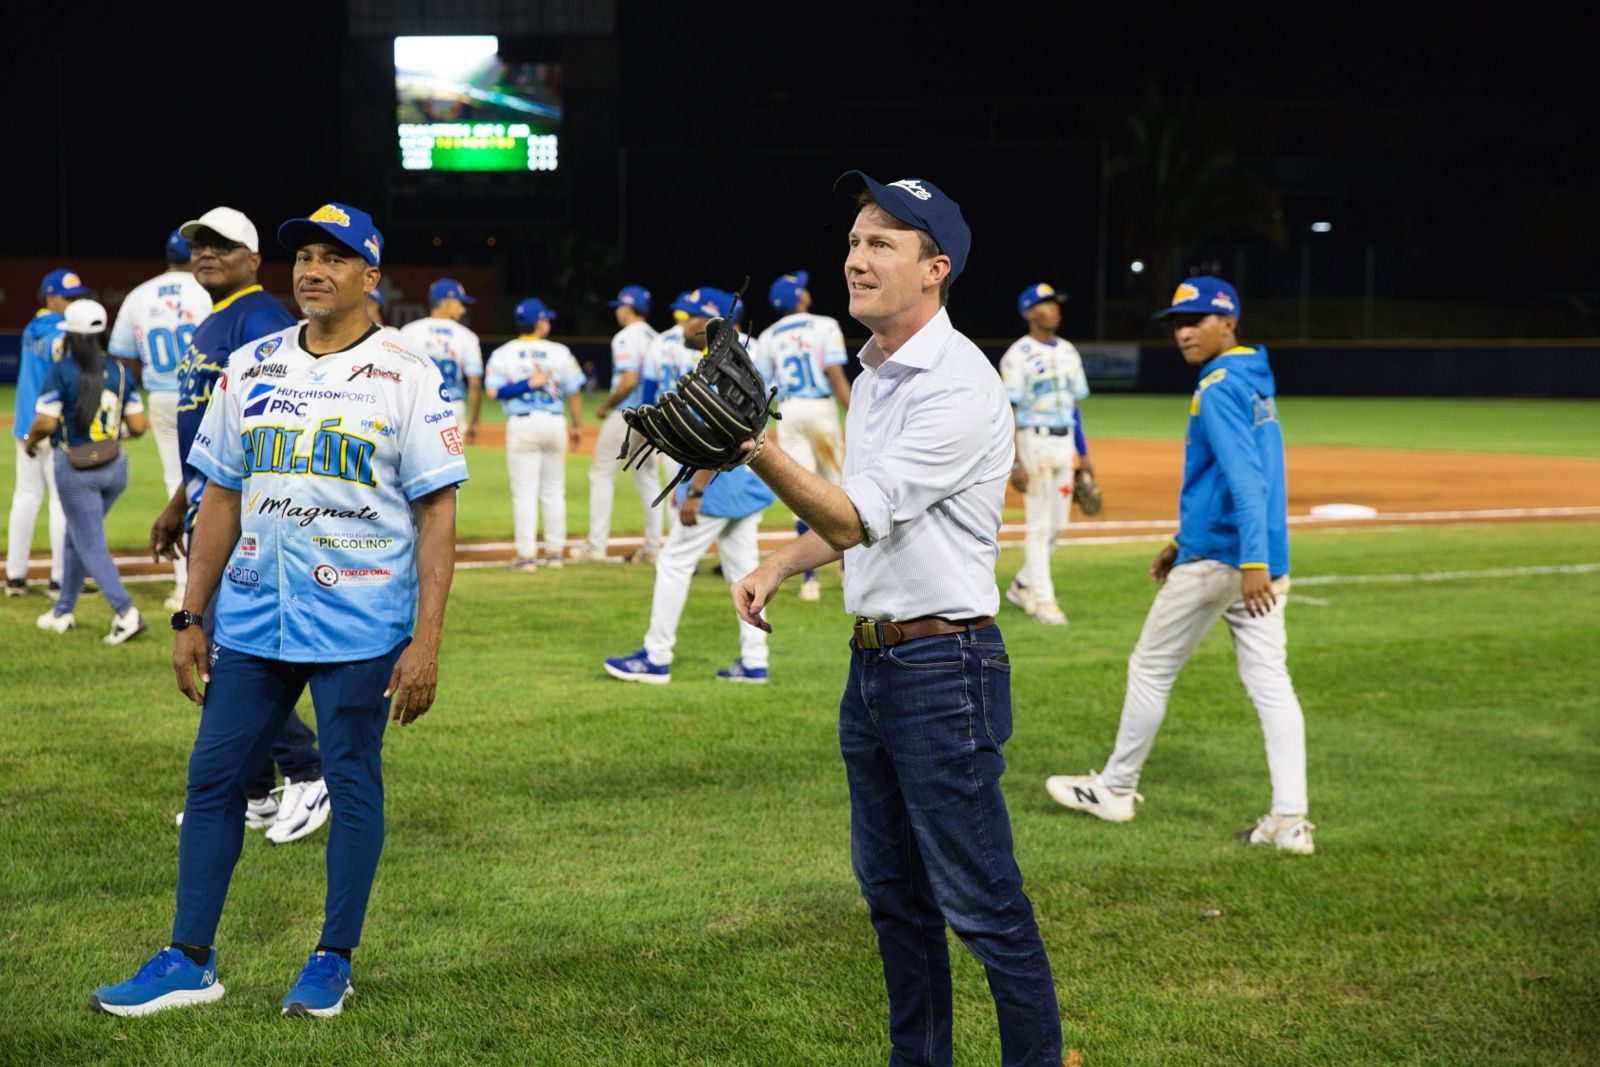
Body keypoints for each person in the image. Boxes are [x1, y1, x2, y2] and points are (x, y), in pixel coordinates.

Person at [90, 201, 468, 1019]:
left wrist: (427, 640)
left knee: (353, 783)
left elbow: (437, 515)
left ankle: (333, 957)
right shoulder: (254, 362)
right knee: (215, 776)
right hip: (256, 617)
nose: (312, 270)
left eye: (335, 258)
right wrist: (192, 615)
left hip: (363, 621)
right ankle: (189, 958)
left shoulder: (408, 373)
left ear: (371, 276)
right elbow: (221, 493)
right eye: (303, 256)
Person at [731, 173, 1062, 1065]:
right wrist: (779, 559)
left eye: (882, 241)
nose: (855, 256)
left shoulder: (957, 382)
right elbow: (855, 518)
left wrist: (755, 445)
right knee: (893, 897)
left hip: (942, 669)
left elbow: (853, 516)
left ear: (935, 268)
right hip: (875, 665)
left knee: (983, 903)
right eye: (852, 239)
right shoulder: (878, 373)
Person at [1044, 276, 1314, 855]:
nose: (1184, 332)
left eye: (1195, 320)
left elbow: (1245, 480)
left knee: (1150, 667)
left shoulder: (1217, 386)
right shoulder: (1252, 378)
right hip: (1247, 555)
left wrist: (1250, 561)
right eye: (1176, 323)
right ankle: (1291, 821)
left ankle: (1115, 789)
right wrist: (1181, 539)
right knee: (1271, 683)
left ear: (1228, 322)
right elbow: (1235, 479)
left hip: (1229, 560)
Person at [151, 205, 328, 845]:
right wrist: (179, 502)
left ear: (254, 259)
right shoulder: (219, 320)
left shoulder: (262, 320)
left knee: (231, 652)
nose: (205, 254)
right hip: (210, 504)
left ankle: (308, 773)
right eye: (198, 244)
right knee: (225, 648)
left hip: (249, 516)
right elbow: (217, 434)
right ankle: (252, 792)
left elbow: (280, 428)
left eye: (222, 246)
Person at [604, 288, 774, 684]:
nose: (682, 322)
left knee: (674, 562)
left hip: (717, 481)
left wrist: (695, 491)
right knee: (744, 570)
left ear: (714, 321)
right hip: (745, 481)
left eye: (691, 316)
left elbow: (720, 437)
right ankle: (754, 662)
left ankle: (655, 657)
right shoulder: (736, 359)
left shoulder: (718, 365)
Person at [25, 299, 149, 642]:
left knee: (89, 540)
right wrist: (112, 434)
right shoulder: (122, 371)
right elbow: (138, 425)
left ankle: (126, 612)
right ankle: (62, 610)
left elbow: (44, 423)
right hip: (115, 467)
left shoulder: (62, 370)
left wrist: (29, 441)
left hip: (76, 468)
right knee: (75, 536)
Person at [108, 229, 211, 612]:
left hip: (162, 396)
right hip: (206, 395)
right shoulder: (207, 290)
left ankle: (184, 583)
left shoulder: (139, 294)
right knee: (216, 483)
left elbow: (122, 357)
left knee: (176, 483)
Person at [998, 282, 1091, 626]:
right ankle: (1044, 600)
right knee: (1038, 526)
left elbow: (1074, 407)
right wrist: (1015, 461)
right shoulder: (1017, 356)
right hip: (1032, 442)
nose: (1054, 308)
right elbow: (1008, 409)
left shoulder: (1069, 351)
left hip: (1065, 442)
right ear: (1028, 312)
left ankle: (1022, 584)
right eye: (1045, 304)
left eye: (1055, 303)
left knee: (1058, 526)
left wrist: (1085, 455)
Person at [756, 270, 851, 603]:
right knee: (840, 486)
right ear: (800, 297)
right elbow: (836, 374)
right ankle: (848, 568)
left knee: (800, 488)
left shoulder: (767, 336)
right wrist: (854, 413)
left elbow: (763, 387)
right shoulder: (824, 325)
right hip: (821, 410)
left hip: (789, 411)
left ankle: (809, 580)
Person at [484, 297, 586, 570]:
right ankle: (555, 554)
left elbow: (493, 392)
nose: (548, 323)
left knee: (525, 492)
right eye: (546, 318)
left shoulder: (503, 353)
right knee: (553, 491)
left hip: (522, 425)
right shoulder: (559, 352)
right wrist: (576, 425)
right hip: (555, 423)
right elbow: (574, 392)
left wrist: (523, 384)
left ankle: (526, 556)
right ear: (539, 322)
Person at [6, 269, 85, 597]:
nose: (74, 302)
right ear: (51, 297)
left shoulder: (31, 327)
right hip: (51, 427)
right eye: (69, 297)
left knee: (25, 497)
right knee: (61, 503)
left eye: (77, 296)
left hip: (26, 427)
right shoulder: (63, 333)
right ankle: (59, 579)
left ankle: (15, 577)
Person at [573, 284, 663, 563]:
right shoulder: (657, 337)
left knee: (601, 473)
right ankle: (652, 546)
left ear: (627, 307)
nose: (617, 313)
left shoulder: (626, 336)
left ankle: (596, 545)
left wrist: (605, 405)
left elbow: (629, 379)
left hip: (628, 413)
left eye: (619, 307)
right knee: (647, 478)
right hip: (654, 415)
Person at [397, 278, 483, 444]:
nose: (463, 310)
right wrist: (474, 421)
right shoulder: (467, 336)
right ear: (448, 302)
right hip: (452, 408)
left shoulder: (409, 332)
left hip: (416, 408)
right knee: (451, 467)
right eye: (460, 303)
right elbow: (475, 383)